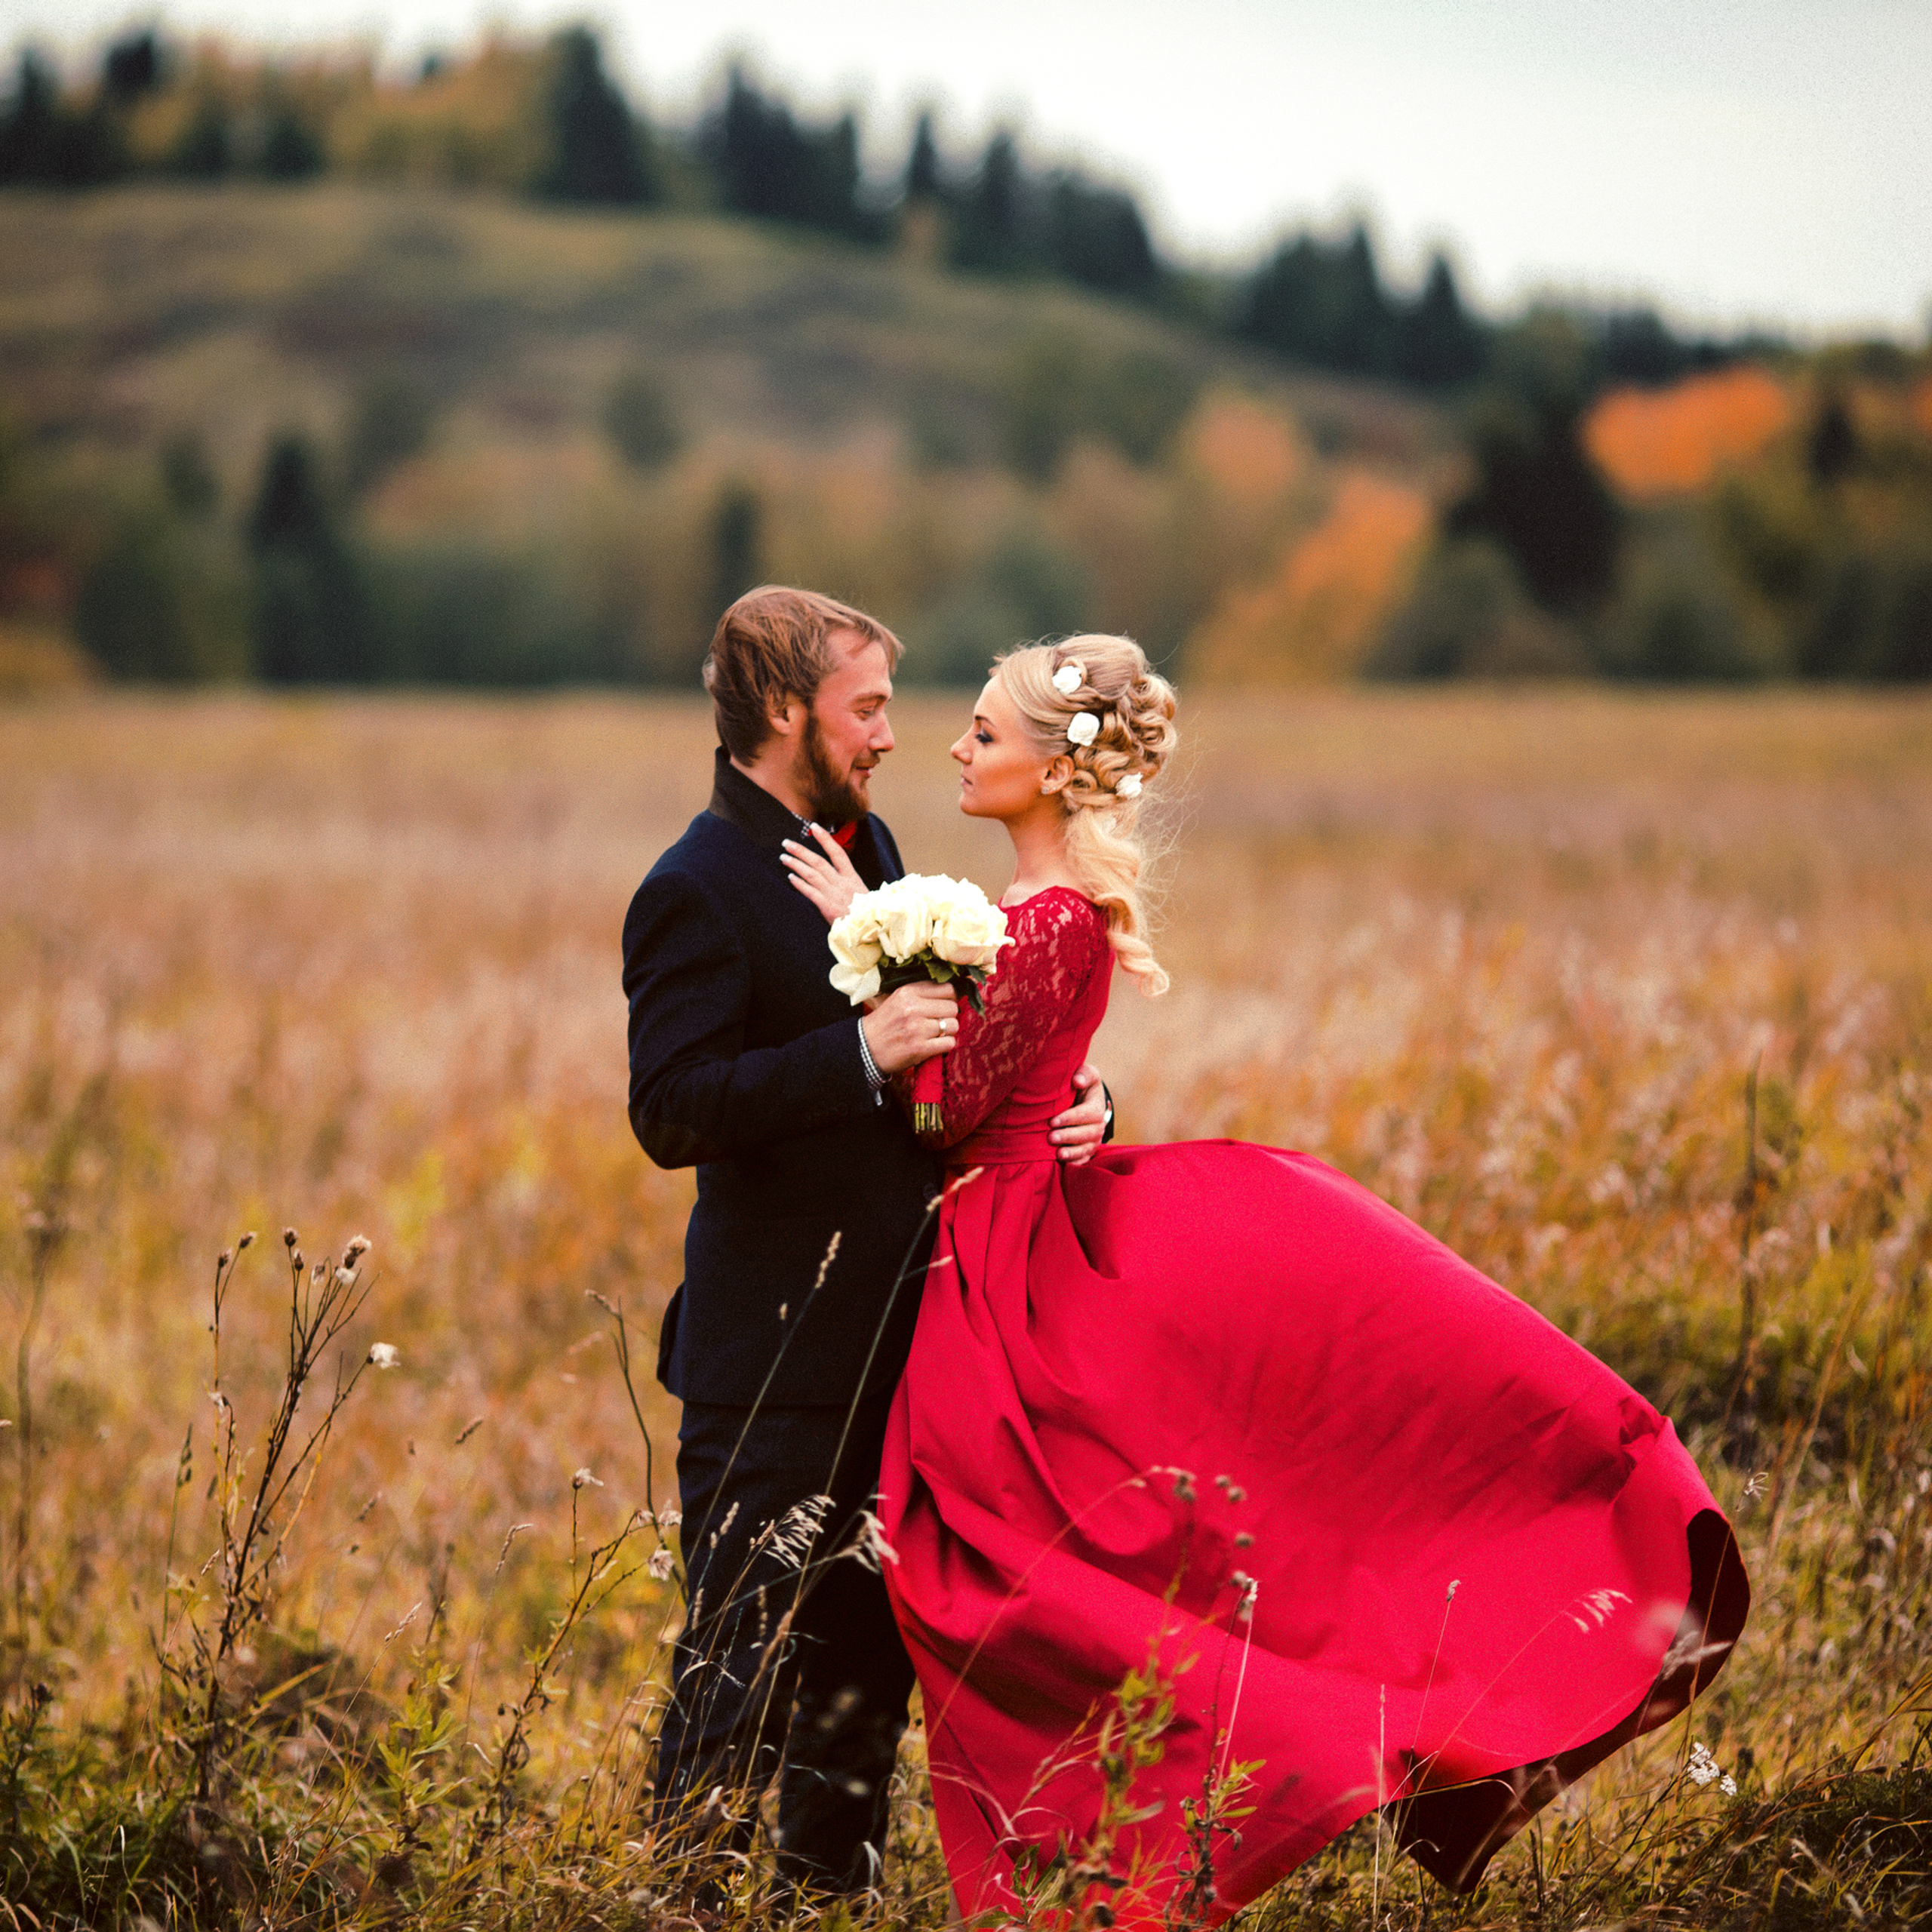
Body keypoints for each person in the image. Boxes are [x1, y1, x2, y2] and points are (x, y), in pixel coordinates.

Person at [781, 633, 1750, 1927]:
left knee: (998, 1563)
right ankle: (1070, 1835)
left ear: (1054, 769)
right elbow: (1019, 1081)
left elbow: (947, 1113)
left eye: (984, 734)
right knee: (997, 1565)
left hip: (1006, 1255)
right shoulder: (1025, 913)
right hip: (999, 1233)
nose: (957, 749)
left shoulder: (1053, 915)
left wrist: (866, 937)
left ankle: (1236, 1780)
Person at [620, 587, 1112, 1900]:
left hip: (906, 1358)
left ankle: (827, 1908)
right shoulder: (693, 887)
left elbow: (960, 1060)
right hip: (771, 1371)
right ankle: (683, 1908)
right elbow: (669, 1110)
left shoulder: (874, 844)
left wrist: (1075, 1103)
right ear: (786, 711)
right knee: (735, 1685)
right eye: (869, 705)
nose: (893, 733)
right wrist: (849, 1055)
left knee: (857, 1704)